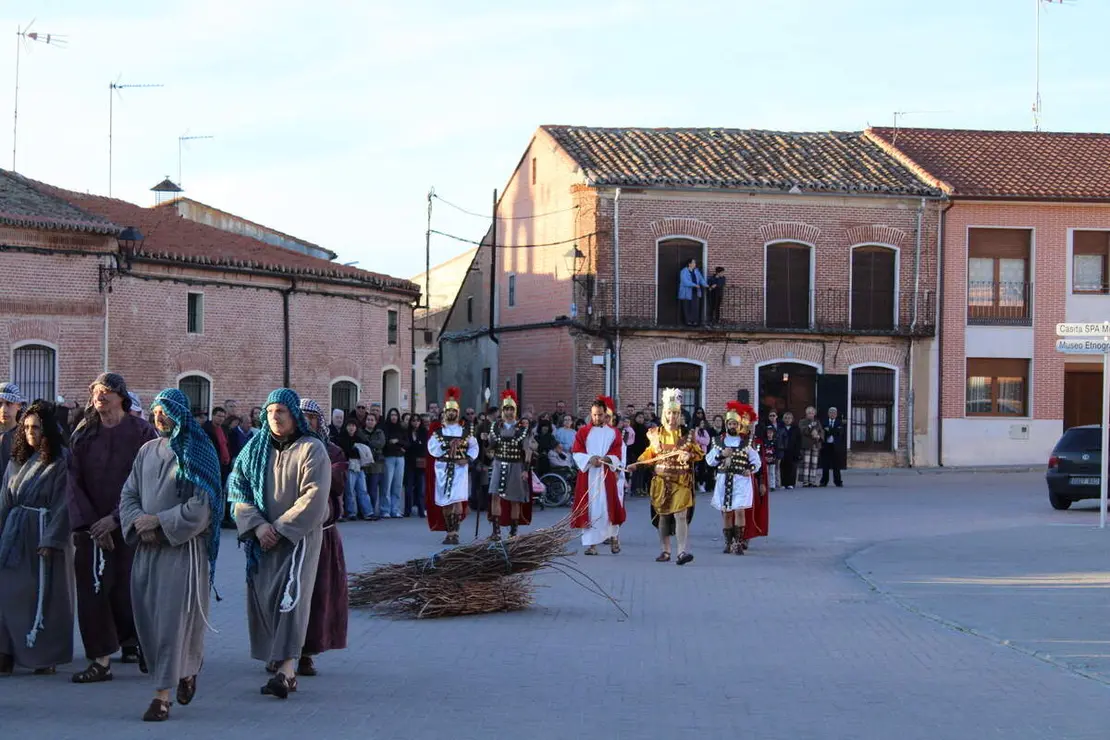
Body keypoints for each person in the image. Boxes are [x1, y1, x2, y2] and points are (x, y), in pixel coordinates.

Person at [118, 389, 222, 722]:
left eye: (165, 412)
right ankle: (187, 669)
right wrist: (138, 522)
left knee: (172, 625)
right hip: (147, 550)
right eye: (155, 412)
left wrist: (160, 522)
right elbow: (129, 492)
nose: (159, 417)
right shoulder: (147, 450)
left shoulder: (197, 451)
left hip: (182, 552)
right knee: (148, 622)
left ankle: (161, 697)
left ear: (180, 414)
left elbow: (202, 505)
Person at [227, 388, 330, 700]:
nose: (275, 417)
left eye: (281, 412)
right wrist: (257, 526)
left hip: (296, 540)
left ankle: (287, 671)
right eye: (270, 412)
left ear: (294, 416)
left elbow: (314, 496)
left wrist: (281, 528)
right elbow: (237, 489)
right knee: (265, 601)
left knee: (290, 599)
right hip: (261, 542)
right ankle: (278, 656)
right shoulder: (254, 450)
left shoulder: (312, 449)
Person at [67, 373, 157, 683]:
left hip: (130, 527)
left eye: (107, 391)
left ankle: (142, 644)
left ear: (122, 396)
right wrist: (94, 524)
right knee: (92, 593)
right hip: (90, 530)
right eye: (96, 391)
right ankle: (100, 660)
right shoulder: (84, 434)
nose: (100, 396)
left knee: (129, 591)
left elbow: (148, 480)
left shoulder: (142, 432)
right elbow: (72, 481)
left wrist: (116, 519)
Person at [0, 401, 73, 677]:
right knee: (9, 591)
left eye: (36, 428)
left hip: (45, 533)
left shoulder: (61, 461)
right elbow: (4, 501)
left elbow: (64, 503)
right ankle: (6, 650)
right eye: (27, 427)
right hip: (15, 534)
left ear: (47, 431)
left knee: (45, 594)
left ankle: (45, 655)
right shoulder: (16, 460)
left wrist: (53, 538)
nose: (31, 432)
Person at [290, 399, 348, 679]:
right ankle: (280, 649)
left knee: (316, 595)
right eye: (302, 417)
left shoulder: (332, 451)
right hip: (285, 532)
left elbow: (335, 484)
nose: (307, 422)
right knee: (283, 594)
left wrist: (317, 463)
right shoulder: (281, 449)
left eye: (312, 418)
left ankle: (306, 652)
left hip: (321, 534)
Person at [631, 389, 702, 565]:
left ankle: (682, 552)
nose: (673, 417)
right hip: (661, 482)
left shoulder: (688, 435)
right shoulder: (655, 434)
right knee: (663, 516)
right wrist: (637, 464)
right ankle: (665, 550)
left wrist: (690, 456)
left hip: (681, 481)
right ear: (665, 413)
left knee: (680, 515)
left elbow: (699, 454)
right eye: (670, 413)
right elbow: (649, 454)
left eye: (676, 413)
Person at [570, 396, 625, 555]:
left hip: (606, 475)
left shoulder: (613, 433)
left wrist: (608, 459)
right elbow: (577, 451)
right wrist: (590, 459)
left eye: (600, 415)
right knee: (591, 509)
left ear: (605, 414)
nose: (597, 418)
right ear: (591, 414)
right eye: (594, 414)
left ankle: (614, 539)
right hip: (588, 475)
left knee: (608, 508)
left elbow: (617, 452)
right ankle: (591, 545)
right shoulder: (583, 432)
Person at [705, 402, 761, 555]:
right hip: (724, 479)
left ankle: (738, 542)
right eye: (730, 423)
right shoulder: (718, 442)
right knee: (727, 512)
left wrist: (750, 469)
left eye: (735, 423)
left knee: (740, 511)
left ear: (739, 424)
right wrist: (721, 455)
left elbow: (756, 461)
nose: (733, 426)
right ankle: (728, 542)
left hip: (741, 481)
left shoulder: (746, 442)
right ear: (726, 424)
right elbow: (709, 461)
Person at [425, 387, 478, 545]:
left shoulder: (465, 431)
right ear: (445, 413)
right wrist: (447, 448)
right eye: (449, 411)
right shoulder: (438, 433)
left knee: (457, 500)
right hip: (442, 468)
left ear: (457, 412)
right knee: (445, 501)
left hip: (460, 469)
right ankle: (449, 531)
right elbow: (432, 448)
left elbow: (474, 447)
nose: (451, 414)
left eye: (454, 411)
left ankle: (455, 532)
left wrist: (467, 458)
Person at [487, 390, 532, 540]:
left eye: (511, 409)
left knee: (515, 499)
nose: (509, 412)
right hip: (499, 463)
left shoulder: (523, 430)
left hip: (516, 465)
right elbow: (491, 447)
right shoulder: (495, 427)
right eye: (506, 409)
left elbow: (527, 450)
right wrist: (485, 441)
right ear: (502, 410)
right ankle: (496, 531)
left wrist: (525, 469)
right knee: (495, 495)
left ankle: (513, 532)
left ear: (515, 410)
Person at [338, 416, 374, 521]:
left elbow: (363, 451)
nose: (351, 428)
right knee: (350, 490)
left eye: (353, 426)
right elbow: (346, 451)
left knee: (363, 489)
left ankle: (368, 512)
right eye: (349, 426)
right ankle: (351, 512)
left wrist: (355, 450)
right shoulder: (342, 439)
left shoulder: (359, 438)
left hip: (359, 466)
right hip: (349, 465)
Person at [379, 408, 407, 519]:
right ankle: (385, 510)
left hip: (400, 458)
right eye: (392, 415)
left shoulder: (402, 428)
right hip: (389, 458)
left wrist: (397, 442)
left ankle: (395, 510)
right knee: (387, 484)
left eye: (395, 415)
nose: (394, 417)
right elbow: (385, 443)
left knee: (398, 485)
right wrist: (398, 446)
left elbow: (407, 443)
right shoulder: (385, 428)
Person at [0, 382, 27, 482]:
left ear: (18, 405)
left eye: (9, 403)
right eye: (0, 404)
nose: (3, 410)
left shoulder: (25, 435)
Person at [404, 415, 427, 518]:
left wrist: (413, 445)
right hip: (409, 463)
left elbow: (423, 446)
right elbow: (405, 445)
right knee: (408, 488)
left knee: (421, 489)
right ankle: (407, 510)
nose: (416, 422)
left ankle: (421, 510)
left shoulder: (424, 432)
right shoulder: (407, 432)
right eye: (413, 421)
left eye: (418, 421)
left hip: (421, 463)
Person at [678, 258, 709, 326]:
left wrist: (706, 285)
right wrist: (694, 285)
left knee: (695, 306)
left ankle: (695, 321)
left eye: (695, 263)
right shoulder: (684, 271)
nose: (695, 264)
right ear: (689, 264)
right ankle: (687, 321)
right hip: (686, 292)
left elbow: (701, 279)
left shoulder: (696, 271)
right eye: (693, 262)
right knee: (687, 306)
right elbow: (685, 281)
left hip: (695, 291)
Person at [820, 407, 845, 487]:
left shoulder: (840, 422)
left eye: (834, 412)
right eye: (830, 412)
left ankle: (838, 481)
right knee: (825, 465)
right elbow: (823, 431)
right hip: (826, 445)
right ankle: (824, 481)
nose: (832, 414)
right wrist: (834, 430)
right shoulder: (824, 422)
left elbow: (839, 433)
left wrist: (829, 430)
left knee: (836, 465)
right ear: (828, 413)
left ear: (836, 414)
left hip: (836, 446)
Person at [798, 406, 823, 488]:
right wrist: (810, 427)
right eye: (809, 413)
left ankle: (812, 481)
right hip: (806, 445)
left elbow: (821, 431)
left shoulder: (817, 422)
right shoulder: (802, 421)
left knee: (814, 464)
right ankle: (805, 481)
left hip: (815, 445)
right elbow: (802, 430)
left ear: (814, 414)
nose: (811, 414)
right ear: (806, 414)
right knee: (806, 463)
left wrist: (819, 436)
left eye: (812, 413)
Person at [779, 411, 800, 490]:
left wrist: (798, 451)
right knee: (783, 467)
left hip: (793, 450)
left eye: (789, 418)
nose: (787, 420)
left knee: (792, 467)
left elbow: (798, 441)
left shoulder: (796, 429)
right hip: (783, 450)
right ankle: (783, 483)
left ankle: (791, 483)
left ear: (792, 419)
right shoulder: (780, 428)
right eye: (786, 418)